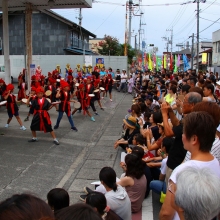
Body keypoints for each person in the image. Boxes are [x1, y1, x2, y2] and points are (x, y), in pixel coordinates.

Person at [159, 112, 220, 220]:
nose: (182, 136)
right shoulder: (215, 162)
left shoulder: (181, 171)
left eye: (184, 132)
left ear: (194, 139)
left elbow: (166, 213)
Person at [161, 92, 202, 185]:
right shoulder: (191, 117)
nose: (182, 104)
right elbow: (177, 125)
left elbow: (169, 133)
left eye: (184, 101)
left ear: (192, 105)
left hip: (176, 163)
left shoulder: (191, 120)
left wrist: (164, 114)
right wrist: (170, 111)